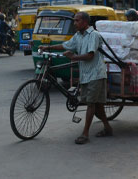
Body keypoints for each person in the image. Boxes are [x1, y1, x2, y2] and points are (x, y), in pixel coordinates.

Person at [39, 11, 113, 144]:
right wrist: (48, 47)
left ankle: (85, 134)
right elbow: (66, 45)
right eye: (74, 21)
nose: (74, 23)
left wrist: (74, 57)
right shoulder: (78, 35)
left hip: (96, 74)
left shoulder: (94, 35)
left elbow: (90, 55)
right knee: (97, 107)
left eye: (77, 21)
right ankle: (108, 128)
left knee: (91, 104)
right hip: (85, 74)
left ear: (85, 22)